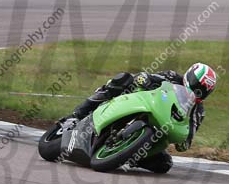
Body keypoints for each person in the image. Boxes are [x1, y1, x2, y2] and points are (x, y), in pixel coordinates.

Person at [72, 63, 218, 173]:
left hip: (159, 129)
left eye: (204, 90)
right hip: (140, 102)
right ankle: (82, 110)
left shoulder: (198, 111)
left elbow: (189, 135)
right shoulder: (172, 77)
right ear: (190, 77)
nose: (199, 91)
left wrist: (184, 140)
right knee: (123, 79)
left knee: (165, 164)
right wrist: (144, 79)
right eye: (197, 85)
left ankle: (127, 156)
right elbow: (145, 76)